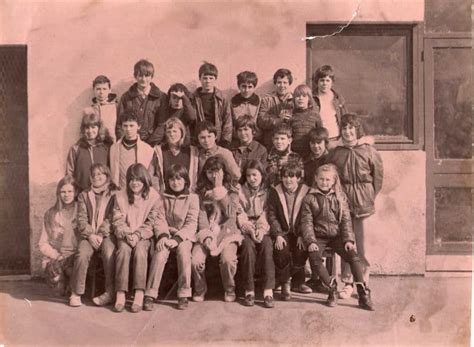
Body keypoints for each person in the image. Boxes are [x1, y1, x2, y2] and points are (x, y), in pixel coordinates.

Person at [300, 164, 375, 310]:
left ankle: (363, 293)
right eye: (321, 179)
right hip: (318, 236)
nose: (324, 182)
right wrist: (310, 241)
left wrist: (348, 240)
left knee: (353, 255)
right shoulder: (309, 198)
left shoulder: (340, 197)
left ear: (334, 181)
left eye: (328, 180)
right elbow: (306, 222)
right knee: (314, 257)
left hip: (336, 236)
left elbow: (346, 221)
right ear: (316, 179)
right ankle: (331, 287)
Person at [327, 113, 383, 300]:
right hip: (344, 206)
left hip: (364, 205)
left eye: (351, 128)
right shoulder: (336, 152)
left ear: (357, 130)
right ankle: (348, 282)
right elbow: (331, 178)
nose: (348, 132)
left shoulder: (368, 151)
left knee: (363, 246)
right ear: (341, 131)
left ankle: (363, 281)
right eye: (344, 128)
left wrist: (368, 196)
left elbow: (378, 178)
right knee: (347, 245)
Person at [112, 163, 167, 313]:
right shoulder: (120, 196)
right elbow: (117, 220)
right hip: (125, 235)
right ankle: (121, 293)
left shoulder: (154, 197)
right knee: (123, 251)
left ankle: (139, 293)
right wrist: (127, 233)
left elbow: (152, 221)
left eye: (138, 179)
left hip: (143, 235)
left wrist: (137, 235)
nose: (134, 183)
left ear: (144, 180)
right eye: (131, 179)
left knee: (141, 251)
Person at [144, 164, 199, 311]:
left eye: (179, 179)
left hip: (184, 237)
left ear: (186, 181)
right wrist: (162, 236)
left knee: (184, 252)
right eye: (172, 180)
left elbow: (191, 223)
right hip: (166, 235)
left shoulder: (192, 198)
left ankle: (184, 293)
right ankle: (150, 293)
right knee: (160, 252)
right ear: (167, 181)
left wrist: (177, 239)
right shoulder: (161, 198)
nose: (175, 183)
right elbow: (159, 220)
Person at [191, 156, 243, 303]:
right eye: (209, 172)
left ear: (223, 172)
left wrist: (219, 188)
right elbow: (201, 216)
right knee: (196, 260)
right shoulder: (200, 192)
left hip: (227, 233)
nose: (213, 176)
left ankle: (229, 288)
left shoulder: (232, 190)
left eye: (217, 172)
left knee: (228, 259)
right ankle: (200, 289)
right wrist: (206, 235)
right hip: (206, 232)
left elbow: (230, 213)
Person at [69, 164, 118, 307]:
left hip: (107, 235)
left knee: (109, 252)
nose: (96, 177)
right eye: (93, 175)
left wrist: (101, 234)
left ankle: (110, 292)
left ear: (107, 176)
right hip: (88, 235)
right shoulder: (84, 195)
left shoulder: (114, 193)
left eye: (100, 174)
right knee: (82, 253)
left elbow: (112, 216)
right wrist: (90, 235)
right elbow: (81, 219)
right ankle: (76, 292)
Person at [267, 162, 312, 300]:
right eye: (285, 177)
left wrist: (301, 234)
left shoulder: (306, 191)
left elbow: (308, 215)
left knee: (301, 250)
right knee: (281, 250)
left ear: (298, 178)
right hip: (283, 232)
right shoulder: (275, 191)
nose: (288, 180)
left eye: (292, 177)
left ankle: (296, 282)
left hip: (299, 232)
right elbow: (272, 214)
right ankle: (286, 283)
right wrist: (278, 234)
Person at [237, 160, 274, 308]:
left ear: (261, 175)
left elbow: (268, 212)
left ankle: (268, 290)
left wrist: (261, 229)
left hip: (263, 227)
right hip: (246, 228)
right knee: (247, 248)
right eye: (248, 175)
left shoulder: (268, 191)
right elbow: (239, 212)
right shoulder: (240, 191)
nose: (252, 178)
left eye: (255, 175)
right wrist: (250, 230)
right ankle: (249, 290)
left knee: (267, 246)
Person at [38, 175, 78, 297]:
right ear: (58, 193)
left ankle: (73, 286)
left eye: (70, 191)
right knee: (58, 287)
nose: (66, 195)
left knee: (73, 271)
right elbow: (42, 243)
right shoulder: (51, 214)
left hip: (76, 255)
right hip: (59, 256)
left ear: (75, 192)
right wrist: (57, 255)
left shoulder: (83, 210)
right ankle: (64, 280)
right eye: (63, 192)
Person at [116, 59, 167, 145]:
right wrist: (126, 142)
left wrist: (150, 144)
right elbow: (120, 124)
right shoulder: (126, 97)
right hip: (130, 143)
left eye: (147, 76)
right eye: (140, 75)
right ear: (135, 76)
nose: (143, 79)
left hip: (153, 145)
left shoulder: (161, 97)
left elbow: (162, 125)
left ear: (152, 76)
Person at [66, 109, 113, 193]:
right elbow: (69, 174)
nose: (90, 131)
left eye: (93, 127)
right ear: (83, 130)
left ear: (99, 128)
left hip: (104, 193)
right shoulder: (76, 149)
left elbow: (111, 170)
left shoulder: (106, 147)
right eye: (87, 128)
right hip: (82, 194)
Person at [148, 117, 199, 192]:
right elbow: (150, 174)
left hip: (187, 194)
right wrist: (157, 188)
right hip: (165, 194)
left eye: (175, 131)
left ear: (182, 133)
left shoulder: (192, 151)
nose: (172, 134)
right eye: (169, 132)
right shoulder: (159, 151)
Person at [192, 61, 232, 148]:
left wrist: (225, 142)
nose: (208, 81)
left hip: (218, 140)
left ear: (215, 79)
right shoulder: (194, 98)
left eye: (211, 78)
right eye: (205, 78)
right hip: (199, 140)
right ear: (200, 78)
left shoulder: (222, 98)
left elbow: (227, 121)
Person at [109, 112, 154, 190]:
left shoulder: (147, 149)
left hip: (139, 191)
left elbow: (150, 173)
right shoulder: (114, 148)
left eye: (131, 125)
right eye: (125, 126)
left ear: (138, 126)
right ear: (121, 127)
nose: (128, 129)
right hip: (120, 190)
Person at [257, 68, 295, 149]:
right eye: (279, 82)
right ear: (275, 83)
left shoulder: (295, 100)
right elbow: (261, 121)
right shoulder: (267, 99)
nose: (282, 86)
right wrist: (278, 120)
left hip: (289, 144)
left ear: (289, 84)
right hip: (270, 143)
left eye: (285, 82)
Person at [312, 65, 346, 139]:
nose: (325, 83)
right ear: (317, 82)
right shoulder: (312, 98)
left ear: (332, 82)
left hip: (336, 137)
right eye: (322, 80)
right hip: (319, 138)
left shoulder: (338, 98)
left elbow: (344, 119)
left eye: (327, 80)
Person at [290, 84, 322, 158]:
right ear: (294, 99)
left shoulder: (315, 115)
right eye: (298, 96)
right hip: (295, 153)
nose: (300, 98)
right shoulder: (291, 116)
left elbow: (320, 134)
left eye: (304, 96)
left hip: (311, 153)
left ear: (309, 99)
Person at [230, 71, 262, 141]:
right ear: (239, 86)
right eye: (243, 86)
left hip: (255, 138)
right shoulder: (233, 102)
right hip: (237, 138)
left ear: (254, 87)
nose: (246, 90)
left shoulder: (259, 101)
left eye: (250, 87)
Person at [90, 75, 118, 142]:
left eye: (104, 89)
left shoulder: (116, 107)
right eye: (98, 89)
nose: (101, 92)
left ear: (109, 90)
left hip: (113, 143)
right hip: (96, 144)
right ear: (93, 90)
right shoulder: (90, 110)